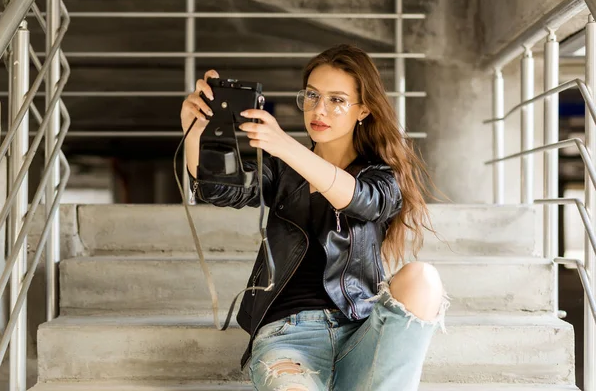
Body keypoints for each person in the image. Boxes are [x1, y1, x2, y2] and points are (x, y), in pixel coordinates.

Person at [180, 44, 449, 391]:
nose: (319, 109)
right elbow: (218, 189)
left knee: (422, 278)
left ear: (363, 109)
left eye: (337, 100)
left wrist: (285, 145)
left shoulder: (381, 177)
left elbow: (361, 200)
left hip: (361, 332)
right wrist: (195, 132)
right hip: (287, 339)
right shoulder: (280, 170)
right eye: (312, 95)